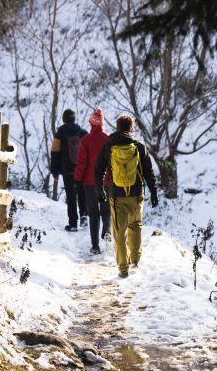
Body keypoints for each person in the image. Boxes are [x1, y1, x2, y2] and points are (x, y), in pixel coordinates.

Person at [94, 115, 158, 278]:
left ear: (117, 127)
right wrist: (154, 192)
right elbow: (148, 172)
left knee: (119, 231)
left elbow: (99, 169)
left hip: (116, 194)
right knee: (135, 225)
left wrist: (100, 191)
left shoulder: (108, 145)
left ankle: (123, 268)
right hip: (136, 193)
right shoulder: (138, 145)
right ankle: (135, 259)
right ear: (131, 128)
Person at [74, 108, 111, 255]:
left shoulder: (85, 140)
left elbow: (82, 162)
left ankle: (95, 246)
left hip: (89, 182)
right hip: (106, 181)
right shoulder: (108, 139)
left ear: (91, 123)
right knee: (106, 209)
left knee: (93, 213)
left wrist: (77, 179)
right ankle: (107, 230)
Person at [50, 109, 88, 231]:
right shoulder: (83, 133)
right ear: (74, 119)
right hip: (81, 169)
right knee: (82, 192)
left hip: (67, 170)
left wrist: (54, 171)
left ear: (64, 119)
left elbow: (55, 153)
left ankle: (73, 224)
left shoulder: (59, 134)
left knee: (71, 196)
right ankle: (84, 215)